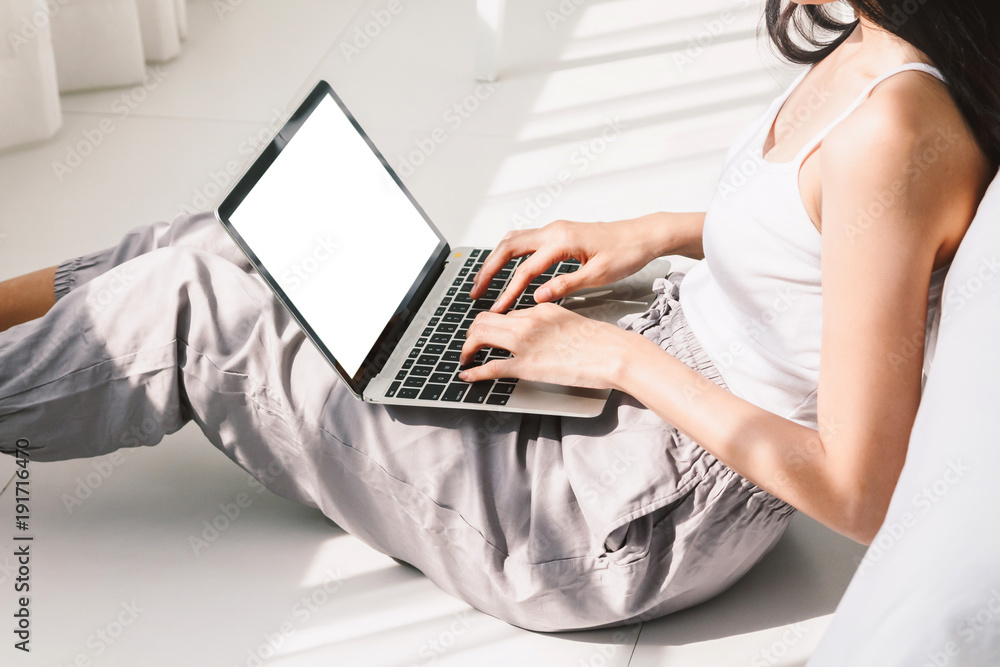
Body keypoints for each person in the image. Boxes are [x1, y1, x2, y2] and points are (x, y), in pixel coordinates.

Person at [0, 0, 997, 632]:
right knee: (245, 236)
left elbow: (864, 495)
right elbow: (833, 248)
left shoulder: (896, 130)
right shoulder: (873, 46)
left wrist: (612, 360)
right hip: (649, 379)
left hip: (621, 515)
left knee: (198, 307)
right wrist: (656, 230)